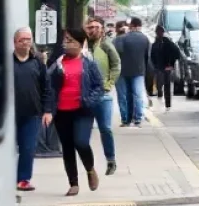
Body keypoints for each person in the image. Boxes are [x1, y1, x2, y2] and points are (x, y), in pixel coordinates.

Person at [48, 28, 104, 196]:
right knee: (67, 147)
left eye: (71, 40)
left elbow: (99, 87)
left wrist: (88, 101)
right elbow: (49, 88)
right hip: (62, 111)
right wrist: (48, 109)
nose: (67, 44)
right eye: (65, 40)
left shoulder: (89, 63)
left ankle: (90, 169)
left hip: (82, 110)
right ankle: (73, 183)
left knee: (81, 142)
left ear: (80, 44)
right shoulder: (57, 63)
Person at [12, 27, 53, 191]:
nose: (25, 43)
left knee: (28, 148)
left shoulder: (37, 62)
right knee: (7, 150)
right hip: (10, 114)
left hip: (32, 114)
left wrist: (47, 110)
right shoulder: (7, 62)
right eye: (22, 39)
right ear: (15, 42)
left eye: (28, 39)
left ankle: (23, 179)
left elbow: (47, 88)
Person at [86, 17, 121, 174]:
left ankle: (111, 160)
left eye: (96, 27)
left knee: (105, 128)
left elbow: (116, 65)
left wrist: (109, 83)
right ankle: (88, 165)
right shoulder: (83, 45)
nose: (93, 29)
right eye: (90, 27)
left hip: (103, 94)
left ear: (101, 29)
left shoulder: (106, 45)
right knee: (83, 131)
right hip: (86, 94)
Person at [119, 18, 152, 127]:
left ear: (131, 26)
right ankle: (138, 118)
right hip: (139, 71)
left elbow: (118, 53)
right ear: (139, 26)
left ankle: (127, 120)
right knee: (138, 95)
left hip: (124, 71)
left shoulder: (123, 38)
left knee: (127, 96)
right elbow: (147, 57)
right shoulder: (145, 39)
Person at [150, 25, 184, 111]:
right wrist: (155, 65)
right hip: (159, 67)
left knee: (167, 85)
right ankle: (160, 94)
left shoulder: (168, 42)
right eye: (158, 32)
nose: (159, 34)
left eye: (160, 32)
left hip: (166, 66)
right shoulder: (155, 44)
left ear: (163, 33)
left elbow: (177, 52)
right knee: (159, 84)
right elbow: (152, 56)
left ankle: (167, 104)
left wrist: (171, 63)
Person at [112, 20, 131, 126]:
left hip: (119, 71)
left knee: (122, 95)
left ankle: (125, 118)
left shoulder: (116, 40)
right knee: (131, 94)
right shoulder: (131, 39)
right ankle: (132, 116)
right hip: (133, 70)